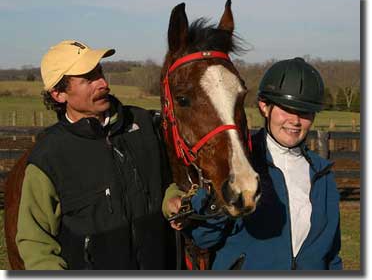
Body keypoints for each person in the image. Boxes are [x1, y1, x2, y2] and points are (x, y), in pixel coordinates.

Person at [162, 57, 343, 270]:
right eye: (286, 109)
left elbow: (331, 254)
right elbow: (204, 237)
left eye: (304, 112)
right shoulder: (234, 163)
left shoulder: (323, 174)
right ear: (264, 107)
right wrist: (211, 199)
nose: (295, 121)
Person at [16, 40, 175, 270]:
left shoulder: (143, 124)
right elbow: (34, 240)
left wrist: (173, 199)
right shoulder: (49, 156)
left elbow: (166, 181)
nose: (103, 83)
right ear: (59, 93)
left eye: (99, 72)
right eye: (88, 79)